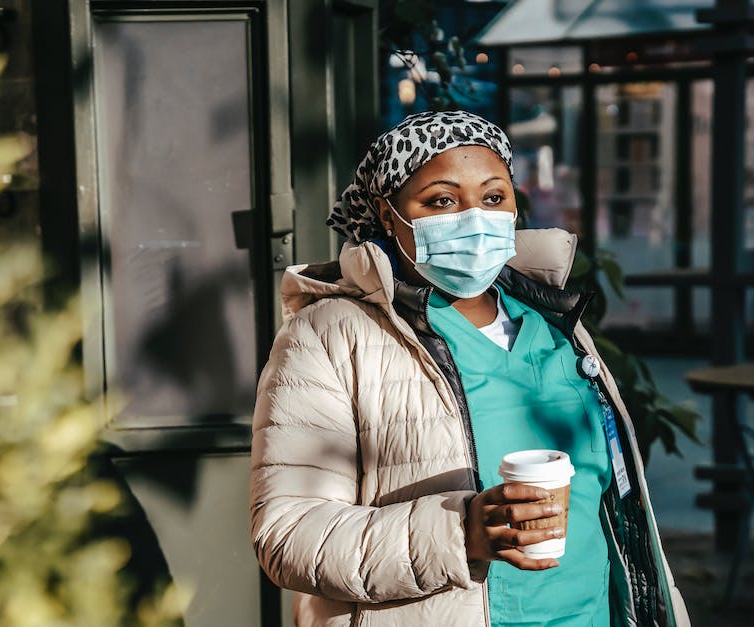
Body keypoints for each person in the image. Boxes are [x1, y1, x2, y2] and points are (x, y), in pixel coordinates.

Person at [249, 110, 689, 626]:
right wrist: (464, 532)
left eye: (493, 197)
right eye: (441, 200)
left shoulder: (556, 327)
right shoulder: (330, 336)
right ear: (388, 216)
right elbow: (288, 535)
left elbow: (618, 510)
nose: (474, 217)